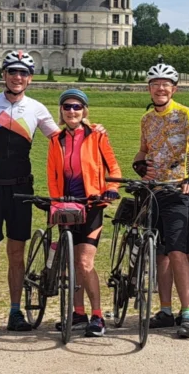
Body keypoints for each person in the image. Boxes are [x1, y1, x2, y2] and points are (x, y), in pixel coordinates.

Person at [0, 50, 61, 332]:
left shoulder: (37, 108)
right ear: (3, 75)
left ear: (30, 79)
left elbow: (62, 139)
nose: (17, 77)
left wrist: (92, 130)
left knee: (17, 254)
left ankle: (15, 311)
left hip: (20, 190)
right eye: (12, 72)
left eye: (23, 73)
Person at [134, 62, 189, 338]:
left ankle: (187, 313)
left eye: (166, 84)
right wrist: (138, 164)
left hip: (176, 190)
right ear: (149, 88)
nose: (160, 88)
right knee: (159, 254)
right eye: (155, 84)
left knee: (177, 252)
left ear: (173, 89)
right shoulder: (147, 118)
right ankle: (164, 309)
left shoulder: (187, 114)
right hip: (153, 191)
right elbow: (142, 151)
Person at [44, 89, 121, 337]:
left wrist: (111, 188)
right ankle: (78, 313)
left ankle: (97, 316)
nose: (72, 111)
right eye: (67, 107)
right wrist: (55, 202)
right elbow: (53, 174)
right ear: (61, 111)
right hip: (67, 205)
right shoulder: (56, 139)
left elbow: (113, 166)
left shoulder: (97, 135)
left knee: (85, 263)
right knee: (69, 264)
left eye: (77, 107)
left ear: (84, 110)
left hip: (92, 205)